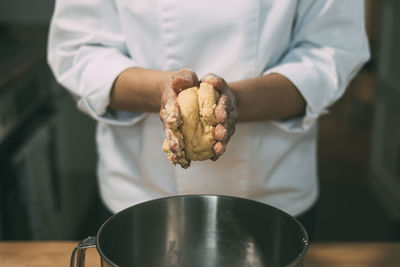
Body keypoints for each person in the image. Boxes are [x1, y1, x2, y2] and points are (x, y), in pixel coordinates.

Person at [48, 0, 369, 237]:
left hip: (270, 194)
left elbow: (332, 50)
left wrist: (239, 102)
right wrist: (161, 92)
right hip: (143, 192)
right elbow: (79, 49)